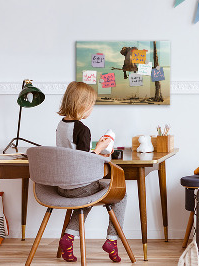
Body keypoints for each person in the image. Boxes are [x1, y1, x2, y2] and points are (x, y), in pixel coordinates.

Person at [56, 81, 126, 263]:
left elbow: (73, 154)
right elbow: (83, 161)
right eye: (92, 105)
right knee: (121, 194)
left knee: (86, 198)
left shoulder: (61, 125)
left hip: (62, 186)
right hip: (78, 186)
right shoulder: (82, 129)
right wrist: (100, 149)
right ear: (83, 105)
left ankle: (68, 238)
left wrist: (95, 150)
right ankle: (112, 240)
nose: (92, 109)